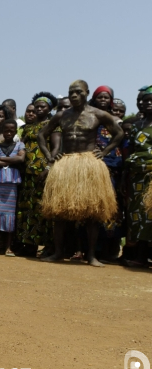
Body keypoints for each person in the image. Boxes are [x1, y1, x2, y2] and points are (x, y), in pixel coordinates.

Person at [37, 80, 123, 266]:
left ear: (87, 93)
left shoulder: (98, 114)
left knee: (92, 212)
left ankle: (91, 255)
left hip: (89, 164)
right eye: (71, 92)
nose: (74, 96)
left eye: (78, 92)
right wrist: (49, 156)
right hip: (66, 164)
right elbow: (41, 135)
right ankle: (59, 252)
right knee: (59, 211)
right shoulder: (62, 115)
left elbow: (119, 133)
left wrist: (105, 151)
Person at [16, 92, 58, 257]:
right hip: (27, 172)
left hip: (44, 172)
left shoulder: (53, 125)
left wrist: (49, 167)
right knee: (27, 210)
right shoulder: (28, 127)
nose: (39, 109)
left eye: (43, 107)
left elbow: (56, 147)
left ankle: (48, 245)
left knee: (43, 208)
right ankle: (29, 245)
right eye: (37, 106)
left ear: (49, 109)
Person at [90, 86, 127, 262]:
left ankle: (109, 250)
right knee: (91, 209)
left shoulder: (116, 121)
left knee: (110, 211)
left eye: (106, 97)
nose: (103, 100)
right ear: (94, 99)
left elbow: (122, 143)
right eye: (100, 97)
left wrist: (105, 153)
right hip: (90, 169)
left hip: (112, 169)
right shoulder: (89, 117)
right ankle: (90, 250)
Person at [0, 119, 25, 256]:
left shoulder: (20, 145)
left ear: (15, 132)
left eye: (11, 130)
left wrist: (1, 160)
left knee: (10, 215)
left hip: (12, 183)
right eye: (6, 130)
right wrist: (11, 160)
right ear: (2, 131)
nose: (8, 133)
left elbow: (21, 160)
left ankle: (8, 248)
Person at [124, 86, 152, 266]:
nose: (148, 103)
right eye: (146, 100)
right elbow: (130, 151)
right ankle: (139, 257)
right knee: (137, 216)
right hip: (136, 178)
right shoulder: (136, 126)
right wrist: (124, 179)